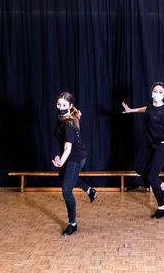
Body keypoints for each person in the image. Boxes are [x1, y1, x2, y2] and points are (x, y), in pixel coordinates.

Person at [122, 82, 164, 219]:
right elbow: (147, 109)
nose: (157, 93)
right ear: (151, 92)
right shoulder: (151, 106)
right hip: (151, 143)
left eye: (160, 92)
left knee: (152, 177)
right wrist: (131, 110)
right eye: (155, 90)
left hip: (163, 145)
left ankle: (161, 208)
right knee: (140, 169)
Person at [52, 92, 98, 236]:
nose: (61, 107)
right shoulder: (69, 116)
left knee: (66, 190)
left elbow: (68, 148)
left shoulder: (68, 124)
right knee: (63, 177)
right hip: (74, 155)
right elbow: (79, 114)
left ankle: (73, 223)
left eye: (64, 105)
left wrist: (61, 162)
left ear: (70, 106)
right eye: (59, 104)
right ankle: (90, 190)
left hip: (75, 157)